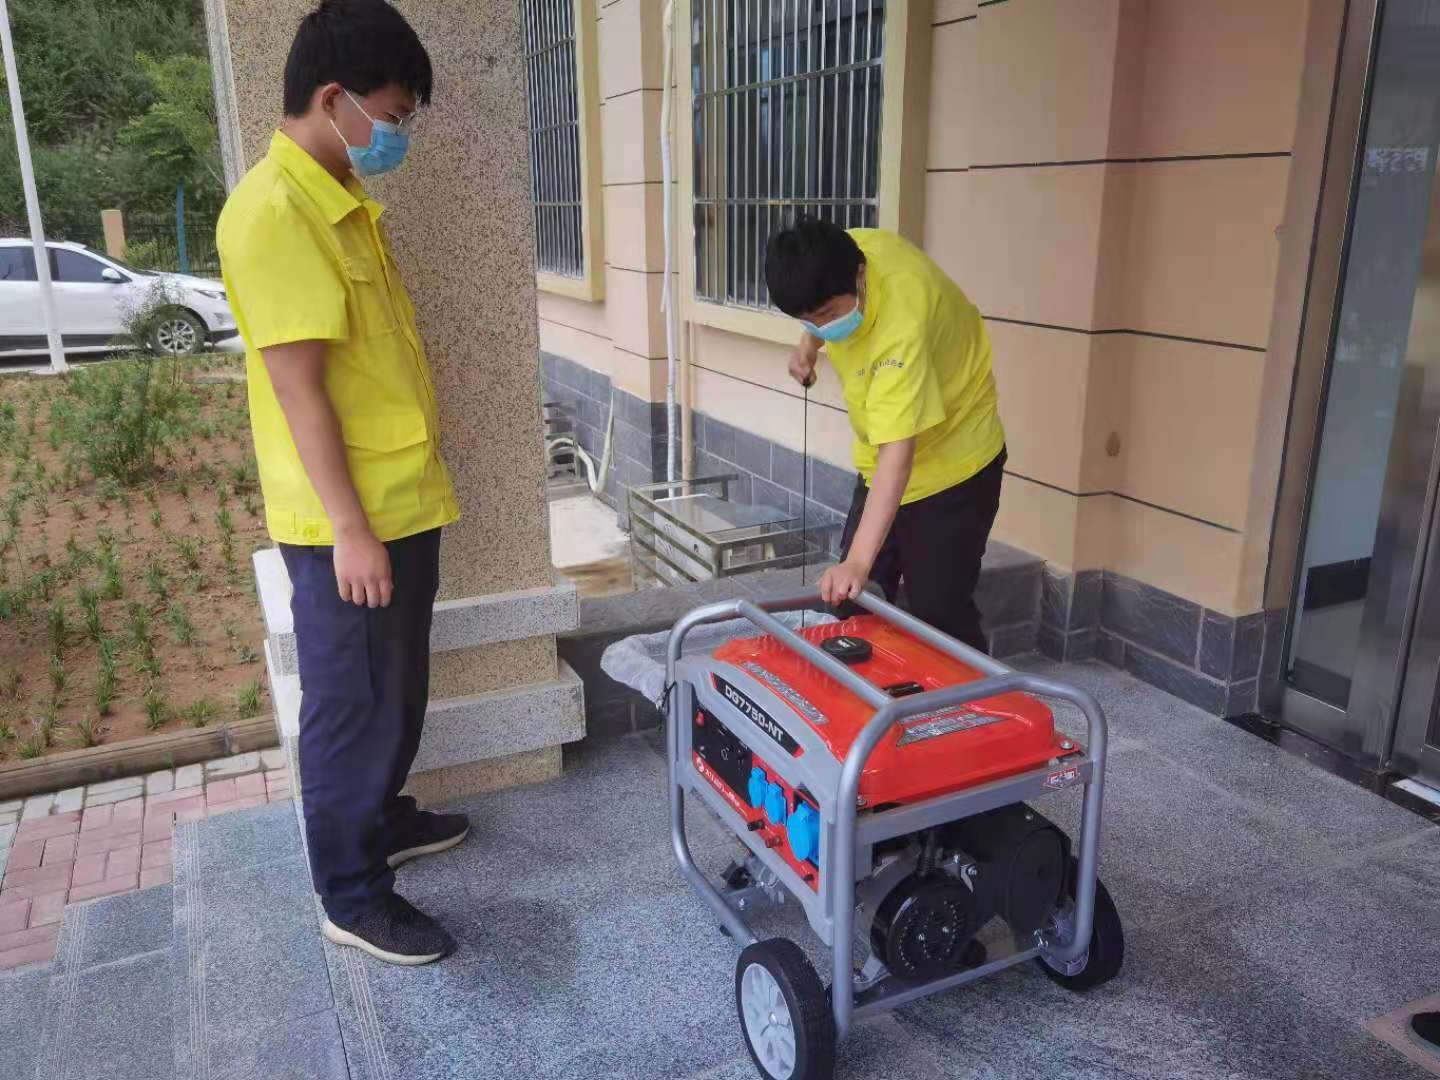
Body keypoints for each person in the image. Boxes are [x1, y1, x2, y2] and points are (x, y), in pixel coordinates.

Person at [217, 0, 467, 966]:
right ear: (334, 99)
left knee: (393, 688)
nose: (398, 134)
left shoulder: (338, 196)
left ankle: (383, 817)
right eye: (393, 114)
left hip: (399, 501)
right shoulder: (275, 214)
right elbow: (300, 391)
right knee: (351, 703)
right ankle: (353, 895)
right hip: (349, 523)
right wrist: (351, 530)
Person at [765, 218, 1006, 654]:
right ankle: (875, 691)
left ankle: (979, 692)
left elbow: (899, 454)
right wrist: (809, 344)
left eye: (827, 317)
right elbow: (819, 306)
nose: (821, 326)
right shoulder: (843, 252)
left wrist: (859, 562)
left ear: (860, 275)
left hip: (955, 460)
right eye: (808, 321)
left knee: (938, 613)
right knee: (849, 601)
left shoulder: (902, 328)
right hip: (884, 460)